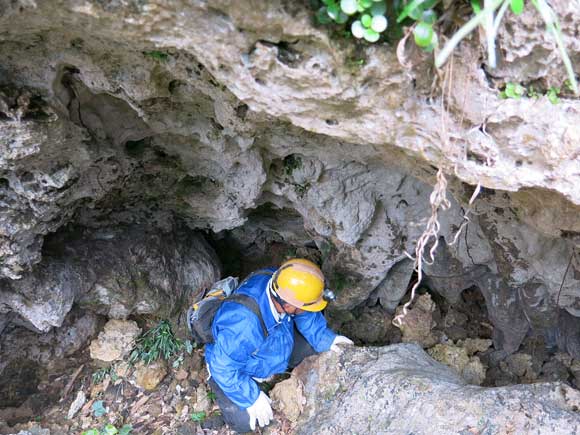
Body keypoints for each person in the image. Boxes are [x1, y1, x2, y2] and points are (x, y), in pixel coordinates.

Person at [204, 258, 353, 433]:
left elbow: (305, 314)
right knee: (247, 423)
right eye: (306, 307)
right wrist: (251, 397)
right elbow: (223, 366)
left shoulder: (282, 283)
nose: (308, 310)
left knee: (318, 352)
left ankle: (275, 367)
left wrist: (326, 339)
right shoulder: (243, 326)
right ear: (288, 306)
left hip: (277, 338)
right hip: (233, 364)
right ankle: (219, 385)